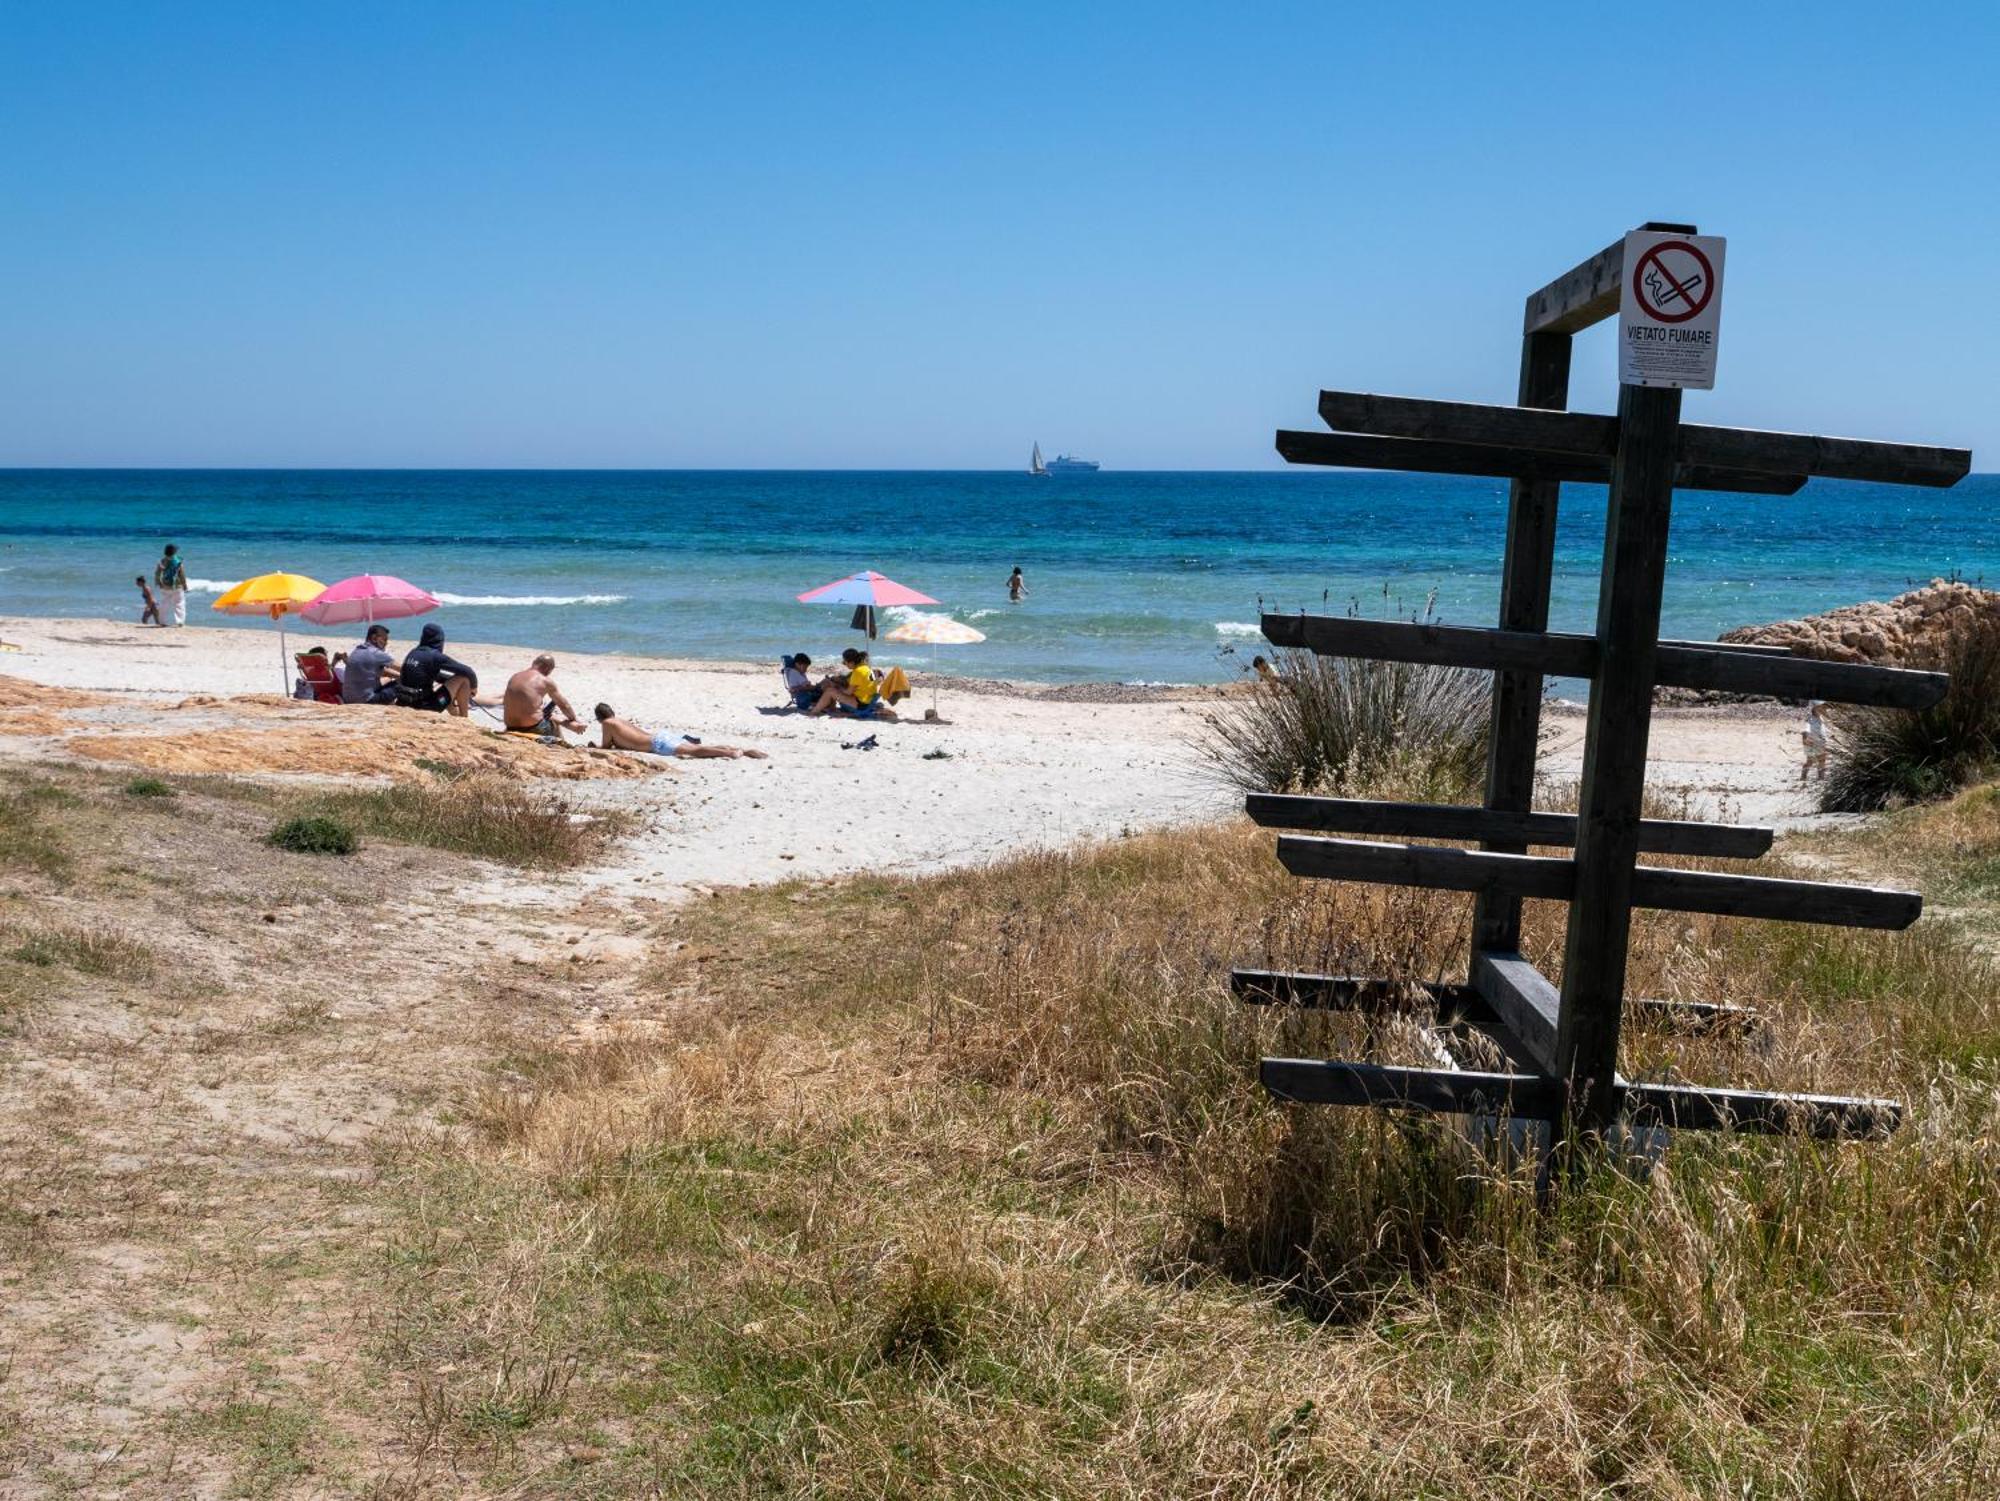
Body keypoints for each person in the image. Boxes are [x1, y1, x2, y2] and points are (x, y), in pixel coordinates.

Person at [593, 703, 767, 759]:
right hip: (660, 736)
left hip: (656, 744)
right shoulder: (619, 720)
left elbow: (607, 747)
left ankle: (731, 753)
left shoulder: (607, 723)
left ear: (600, 717)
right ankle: (742, 750)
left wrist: (593, 747)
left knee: (696, 751)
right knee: (698, 748)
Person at [396, 622, 478, 716]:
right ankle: (464, 718)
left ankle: (455, 716)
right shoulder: (434, 656)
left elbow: (425, 674)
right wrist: (473, 687)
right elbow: (468, 671)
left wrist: (449, 680)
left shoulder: (413, 653)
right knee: (463, 679)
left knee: (448, 687)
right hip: (424, 707)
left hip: (404, 702)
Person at [504, 653, 586, 739]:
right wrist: (573, 719)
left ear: (533, 663)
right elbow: (564, 705)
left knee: (545, 712)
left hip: (510, 726)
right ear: (549, 669)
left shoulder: (515, 676)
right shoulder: (545, 681)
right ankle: (561, 745)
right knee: (553, 722)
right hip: (532, 728)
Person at [342, 624, 400, 705]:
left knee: (389, 679)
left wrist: (398, 676)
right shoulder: (376, 653)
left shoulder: (356, 651)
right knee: (403, 683)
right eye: (384, 640)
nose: (386, 643)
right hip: (367, 700)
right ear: (374, 638)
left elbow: (383, 671)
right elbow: (405, 668)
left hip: (348, 699)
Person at [153, 544, 188, 627]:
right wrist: (185, 584)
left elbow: (157, 573)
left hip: (165, 585)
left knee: (164, 604)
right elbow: (181, 574)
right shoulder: (178, 561)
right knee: (179, 603)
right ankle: (180, 622)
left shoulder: (162, 561)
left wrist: (158, 583)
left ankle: (162, 621)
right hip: (177, 586)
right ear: (174, 552)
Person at [1800, 699, 1830, 784]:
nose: (1824, 709)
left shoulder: (1821, 718)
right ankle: (1804, 775)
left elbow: (1823, 729)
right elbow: (1806, 729)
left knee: (1822, 759)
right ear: (1814, 708)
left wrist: (1829, 736)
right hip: (1811, 743)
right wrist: (1805, 739)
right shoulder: (1810, 719)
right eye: (1821, 707)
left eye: (1824, 707)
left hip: (1821, 742)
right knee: (1810, 761)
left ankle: (1821, 777)